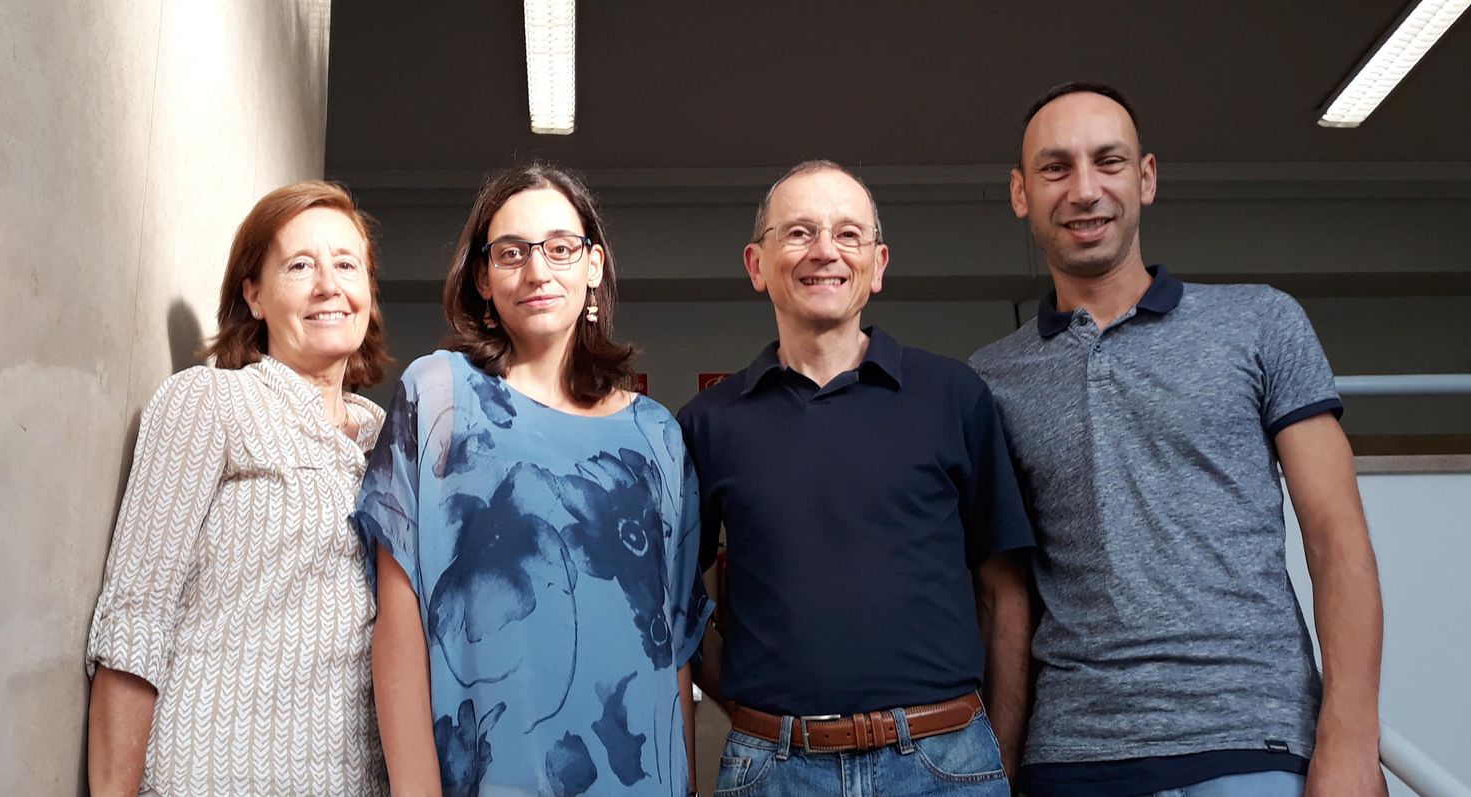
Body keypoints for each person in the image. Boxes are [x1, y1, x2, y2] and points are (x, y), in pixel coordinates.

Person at [969, 82, 1386, 797]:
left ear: (1147, 177)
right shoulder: (988, 380)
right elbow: (1005, 596)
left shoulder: (1261, 323)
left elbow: (1335, 536)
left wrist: (1350, 743)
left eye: (1109, 161)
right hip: (1072, 755)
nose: (1085, 188)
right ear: (1020, 193)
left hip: (1251, 742)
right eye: (1056, 167)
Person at [677, 160, 1036, 796]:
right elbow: (678, 599)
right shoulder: (708, 422)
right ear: (757, 265)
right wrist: (757, 715)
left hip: (947, 764)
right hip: (775, 773)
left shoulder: (954, 395)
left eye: (849, 235)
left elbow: (1004, 591)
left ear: (878, 263)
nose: (825, 252)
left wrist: (999, 758)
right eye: (798, 233)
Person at [352, 162, 711, 797]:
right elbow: (399, 621)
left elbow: (672, 639)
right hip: (492, 771)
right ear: (483, 278)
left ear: (593, 266)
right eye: (512, 252)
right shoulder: (439, 395)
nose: (538, 271)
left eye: (560, 248)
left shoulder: (657, 435)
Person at [85, 180, 392, 796]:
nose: (328, 285)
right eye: (299, 265)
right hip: (213, 776)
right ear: (254, 294)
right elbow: (135, 617)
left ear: (368, 292)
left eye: (346, 264)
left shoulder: (387, 442)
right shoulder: (210, 401)